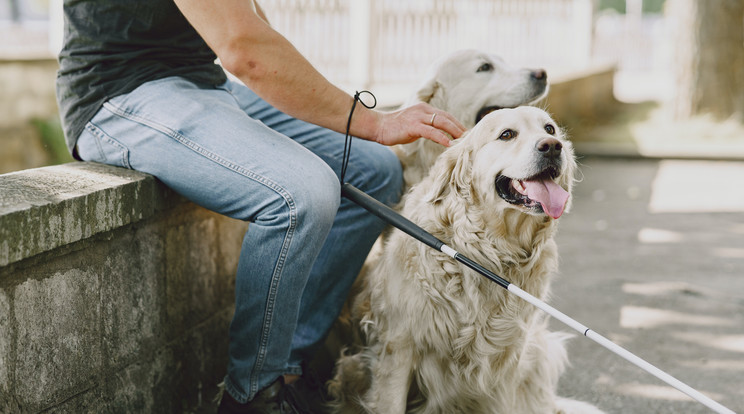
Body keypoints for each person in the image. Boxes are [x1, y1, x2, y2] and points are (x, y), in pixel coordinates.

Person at [55, 0, 465, 413]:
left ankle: (288, 368)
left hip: (204, 82)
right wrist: (376, 123)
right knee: (301, 192)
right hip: (120, 91)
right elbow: (243, 48)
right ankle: (253, 395)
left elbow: (251, 29)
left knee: (372, 170)